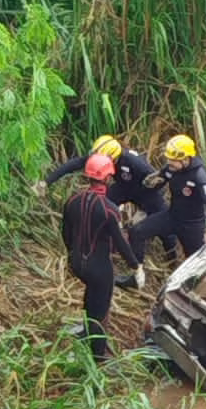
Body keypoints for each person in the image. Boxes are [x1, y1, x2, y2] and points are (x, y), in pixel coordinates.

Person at [36, 134, 177, 268]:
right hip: (122, 188)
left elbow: (159, 180)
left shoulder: (134, 162)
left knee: (163, 223)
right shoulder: (101, 157)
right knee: (101, 208)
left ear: (113, 158)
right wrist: (46, 182)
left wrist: (144, 210)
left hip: (145, 192)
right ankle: (99, 240)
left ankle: (172, 260)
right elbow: (74, 164)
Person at [61, 153, 144, 361]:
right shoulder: (109, 209)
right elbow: (121, 243)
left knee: (91, 296)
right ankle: (98, 358)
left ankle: (85, 332)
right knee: (100, 310)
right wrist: (136, 266)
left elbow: (66, 234)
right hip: (100, 268)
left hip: (77, 264)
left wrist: (73, 255)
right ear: (107, 178)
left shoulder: (72, 201)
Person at [128, 134, 206, 261]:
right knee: (137, 232)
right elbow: (159, 180)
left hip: (192, 226)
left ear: (185, 159)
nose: (169, 162)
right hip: (172, 216)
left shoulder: (199, 175)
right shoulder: (171, 169)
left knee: (195, 261)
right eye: (169, 159)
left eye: (173, 160)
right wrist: (150, 186)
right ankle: (138, 270)